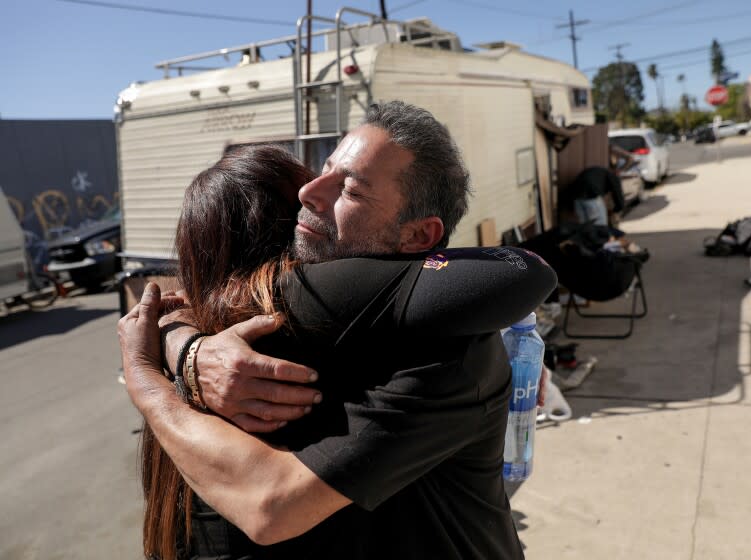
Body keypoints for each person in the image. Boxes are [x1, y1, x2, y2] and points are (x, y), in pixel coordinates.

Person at [120, 102, 557, 559]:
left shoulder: (443, 349)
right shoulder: (257, 342)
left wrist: (158, 364)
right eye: (324, 168)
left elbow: (269, 505)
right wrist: (181, 342)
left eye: (350, 189)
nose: (310, 190)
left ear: (419, 237)